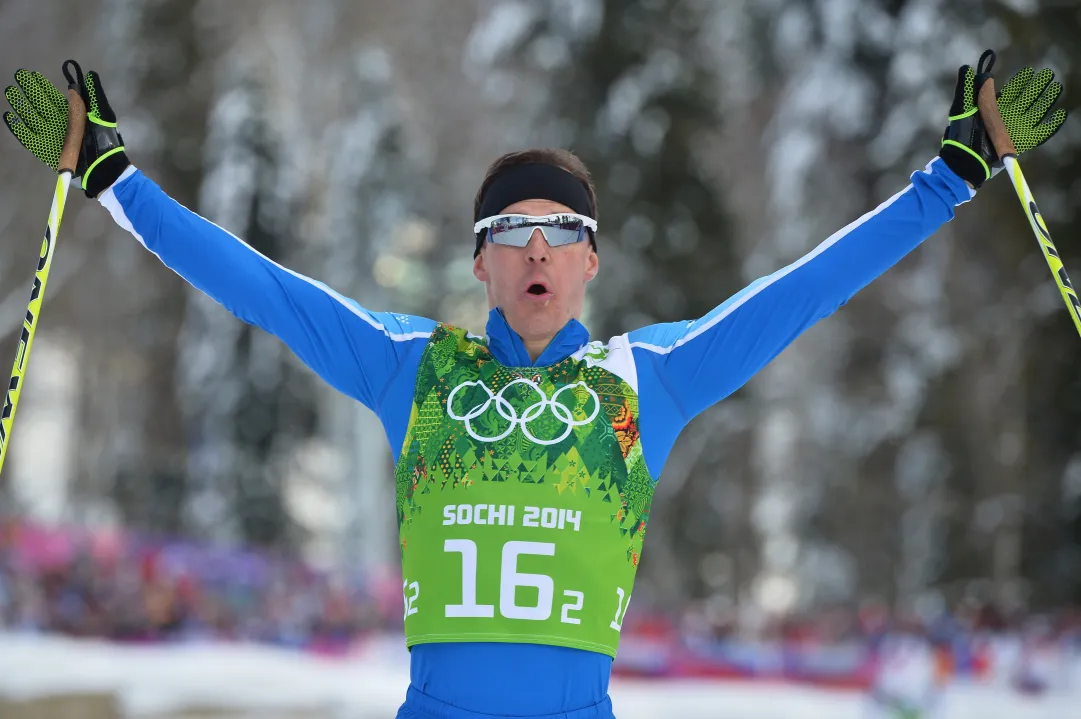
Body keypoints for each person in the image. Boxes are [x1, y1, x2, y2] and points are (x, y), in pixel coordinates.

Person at [3, 50, 1067, 719]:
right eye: (511, 233)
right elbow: (265, 289)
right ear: (479, 261)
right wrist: (117, 185)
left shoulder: (644, 379)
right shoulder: (413, 366)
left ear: (593, 260)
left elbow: (798, 292)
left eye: (562, 234)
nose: (536, 252)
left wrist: (946, 180)